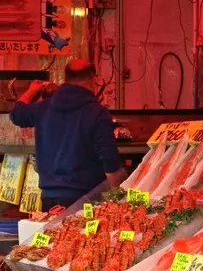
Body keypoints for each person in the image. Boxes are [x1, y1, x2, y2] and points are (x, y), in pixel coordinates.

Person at [10, 59, 123, 210]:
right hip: (85, 201)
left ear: (66, 79)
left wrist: (32, 90)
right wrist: (120, 200)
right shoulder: (97, 113)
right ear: (92, 79)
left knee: (54, 234)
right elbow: (110, 163)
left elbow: (17, 114)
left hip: (49, 201)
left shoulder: (44, 108)